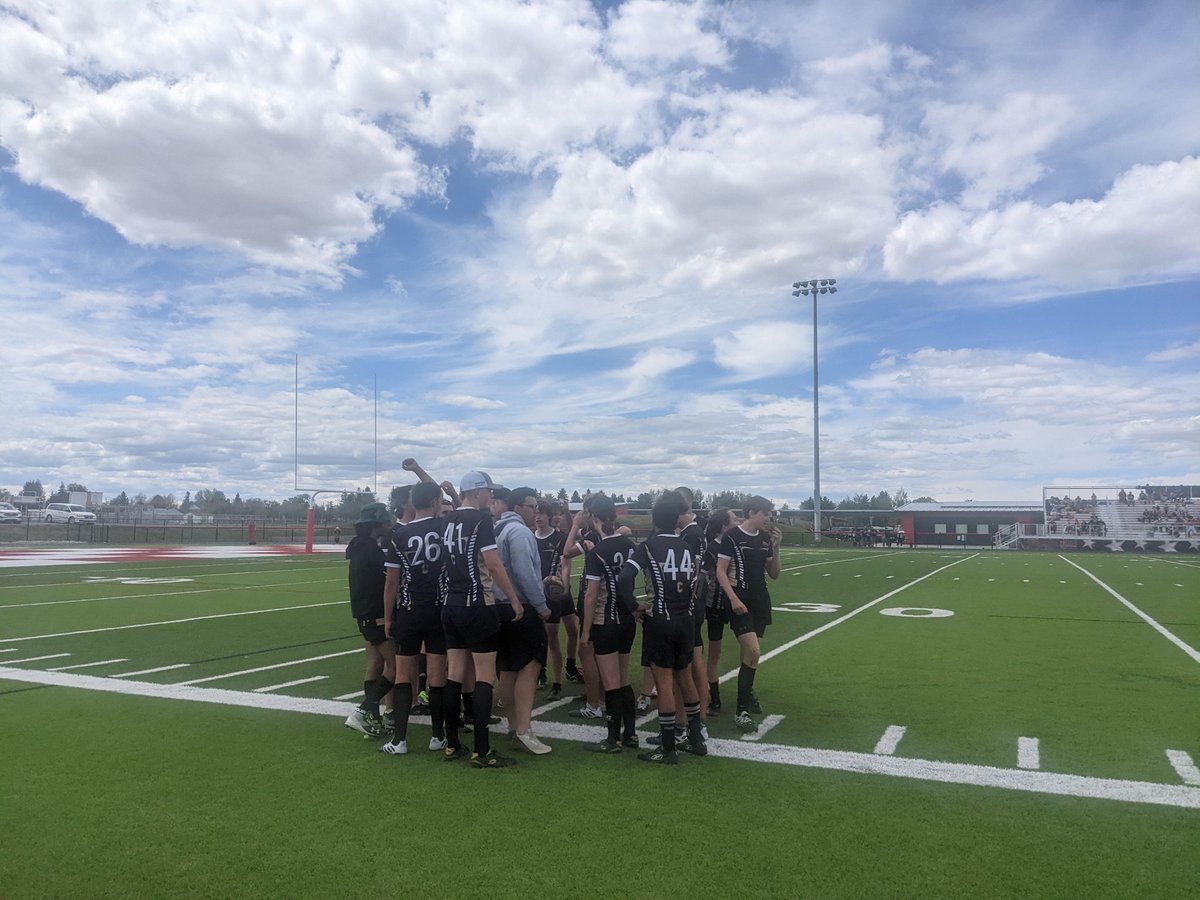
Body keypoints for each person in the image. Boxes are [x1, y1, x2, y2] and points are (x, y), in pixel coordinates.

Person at [440, 471, 526, 769]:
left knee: (454, 674)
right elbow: (492, 562)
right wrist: (514, 598)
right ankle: (482, 749)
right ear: (476, 493)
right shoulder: (481, 520)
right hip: (477, 604)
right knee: (483, 676)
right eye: (488, 491)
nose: (491, 496)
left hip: (451, 604)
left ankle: (451, 743)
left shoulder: (447, 519)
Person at [617, 494, 705, 764]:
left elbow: (624, 577)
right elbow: (698, 582)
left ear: (654, 520)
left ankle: (667, 748)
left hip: (660, 619)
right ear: (677, 519)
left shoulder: (649, 546)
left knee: (664, 684)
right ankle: (696, 738)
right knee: (685, 678)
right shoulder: (688, 546)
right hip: (685, 619)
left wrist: (634, 606)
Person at [380, 481, 448, 756]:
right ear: (434, 502)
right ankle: (438, 736)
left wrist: (387, 617)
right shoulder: (444, 528)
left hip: (409, 610)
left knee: (404, 676)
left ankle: (400, 740)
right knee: (436, 676)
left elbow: (391, 581)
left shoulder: (398, 535)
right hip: (438, 608)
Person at [490, 486, 553, 756]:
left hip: (499, 607)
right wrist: (541, 606)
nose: (535, 511)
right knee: (529, 666)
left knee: (507, 669)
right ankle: (524, 730)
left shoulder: (496, 529)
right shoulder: (519, 532)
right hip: (521, 607)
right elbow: (524, 571)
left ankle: (514, 725)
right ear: (517, 508)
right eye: (531, 506)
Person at [715, 496, 782, 732]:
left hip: (760, 600)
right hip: (739, 600)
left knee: (751, 655)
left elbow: (774, 574)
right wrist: (733, 599)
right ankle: (741, 710)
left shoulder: (765, 539)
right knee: (753, 650)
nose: (769, 518)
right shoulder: (732, 537)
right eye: (766, 513)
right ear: (753, 512)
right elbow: (720, 571)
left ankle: (747, 693)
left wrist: (776, 546)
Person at [579, 494, 639, 753]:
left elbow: (591, 595)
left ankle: (613, 738)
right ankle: (631, 734)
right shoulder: (630, 545)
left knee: (611, 681)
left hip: (606, 621)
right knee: (623, 679)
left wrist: (585, 632)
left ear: (595, 518)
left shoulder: (598, 552)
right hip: (628, 619)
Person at [343, 502, 396, 737]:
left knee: (374, 663)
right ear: (377, 525)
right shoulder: (371, 551)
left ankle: (372, 717)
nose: (389, 524)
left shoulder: (359, 547)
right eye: (385, 521)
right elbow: (386, 581)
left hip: (364, 614)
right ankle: (363, 711)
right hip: (374, 614)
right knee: (395, 666)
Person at [534, 500, 573, 699]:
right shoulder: (529, 538)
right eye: (535, 514)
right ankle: (541, 672)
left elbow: (566, 564)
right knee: (541, 638)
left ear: (549, 515)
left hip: (555, 593)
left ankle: (559, 679)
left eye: (541, 514)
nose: (538, 518)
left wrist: (563, 584)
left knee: (559, 637)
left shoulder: (560, 538)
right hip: (537, 594)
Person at [699, 508, 736, 715]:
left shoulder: (737, 543)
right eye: (733, 519)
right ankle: (715, 698)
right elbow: (703, 580)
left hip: (738, 600)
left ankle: (747, 695)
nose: (737, 521)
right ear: (723, 524)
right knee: (715, 652)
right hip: (716, 605)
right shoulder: (712, 548)